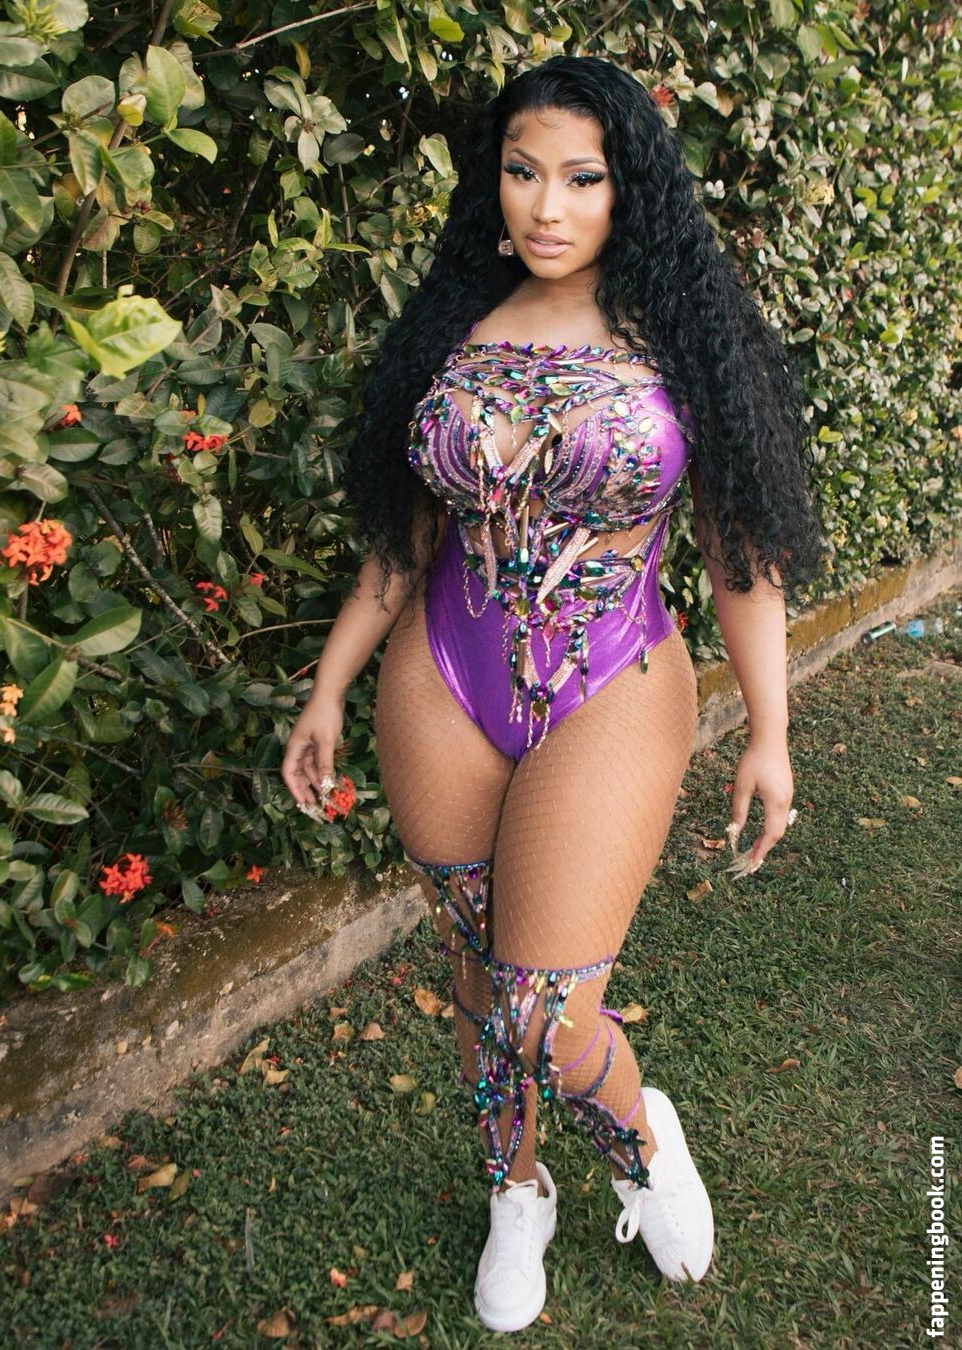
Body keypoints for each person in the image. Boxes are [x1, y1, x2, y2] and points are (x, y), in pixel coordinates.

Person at [280, 54, 826, 1334]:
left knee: (545, 1006)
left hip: (614, 684)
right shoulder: (455, 327)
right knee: (480, 982)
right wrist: (329, 686)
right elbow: (405, 541)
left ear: (628, 189)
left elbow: (738, 554)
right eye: (522, 172)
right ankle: (515, 1189)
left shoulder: (680, 339)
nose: (547, 204)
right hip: (441, 684)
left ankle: (640, 1142)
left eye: (582, 178)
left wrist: (771, 731)